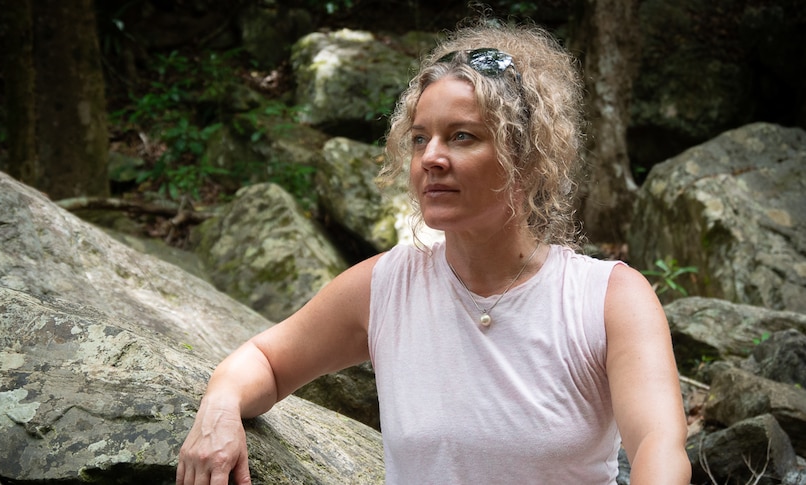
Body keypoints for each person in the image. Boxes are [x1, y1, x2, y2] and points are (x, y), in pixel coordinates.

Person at [176, 21, 690, 485]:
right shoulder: (385, 288)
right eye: (420, 139)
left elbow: (658, 446)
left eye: (461, 136)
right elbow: (264, 359)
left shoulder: (608, 298)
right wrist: (219, 407)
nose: (431, 158)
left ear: (528, 160)